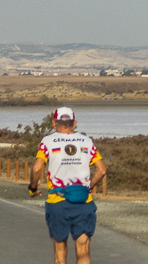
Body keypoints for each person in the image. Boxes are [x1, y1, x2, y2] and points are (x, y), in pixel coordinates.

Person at [27, 107, 106, 264]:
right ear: (74, 123)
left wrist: (33, 188)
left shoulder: (47, 141)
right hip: (83, 201)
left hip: (57, 201)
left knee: (60, 251)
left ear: (54, 123)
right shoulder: (86, 141)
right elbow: (102, 170)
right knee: (83, 250)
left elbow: (36, 169)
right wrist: (88, 187)